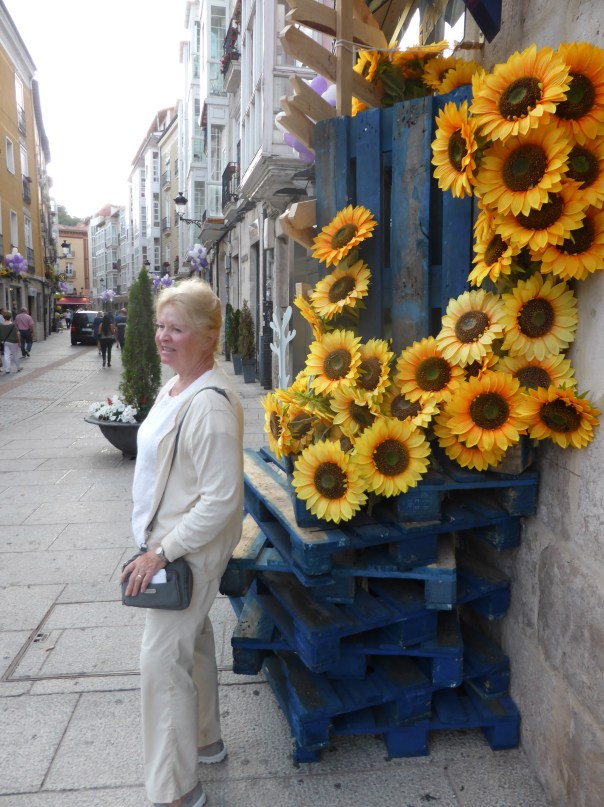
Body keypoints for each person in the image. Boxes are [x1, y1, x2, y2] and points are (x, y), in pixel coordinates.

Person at [121, 278, 244, 807]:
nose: (163, 337)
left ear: (208, 336)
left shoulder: (210, 405)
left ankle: (176, 789)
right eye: (160, 326)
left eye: (177, 328)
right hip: (169, 542)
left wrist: (159, 552)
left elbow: (219, 501)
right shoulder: (173, 388)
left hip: (186, 551)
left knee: (161, 663)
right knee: (191, 644)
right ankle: (205, 739)